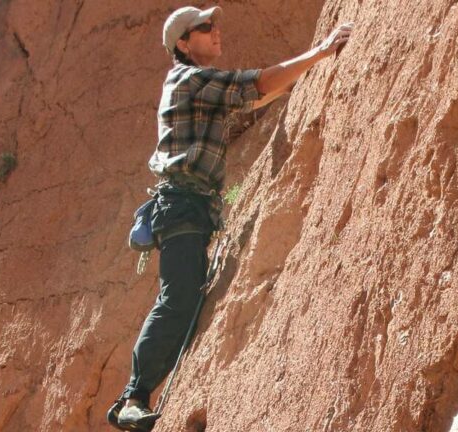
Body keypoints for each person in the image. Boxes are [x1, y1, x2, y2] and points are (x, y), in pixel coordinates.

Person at [110, 5, 353, 431]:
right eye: (204, 28)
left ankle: (138, 393)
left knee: (185, 303)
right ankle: (132, 396)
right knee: (178, 298)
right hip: (182, 204)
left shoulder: (197, 86)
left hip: (188, 206)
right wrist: (321, 52)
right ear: (183, 45)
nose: (215, 31)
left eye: (213, 24)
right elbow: (255, 83)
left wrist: (305, 74)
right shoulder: (188, 78)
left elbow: (256, 96)